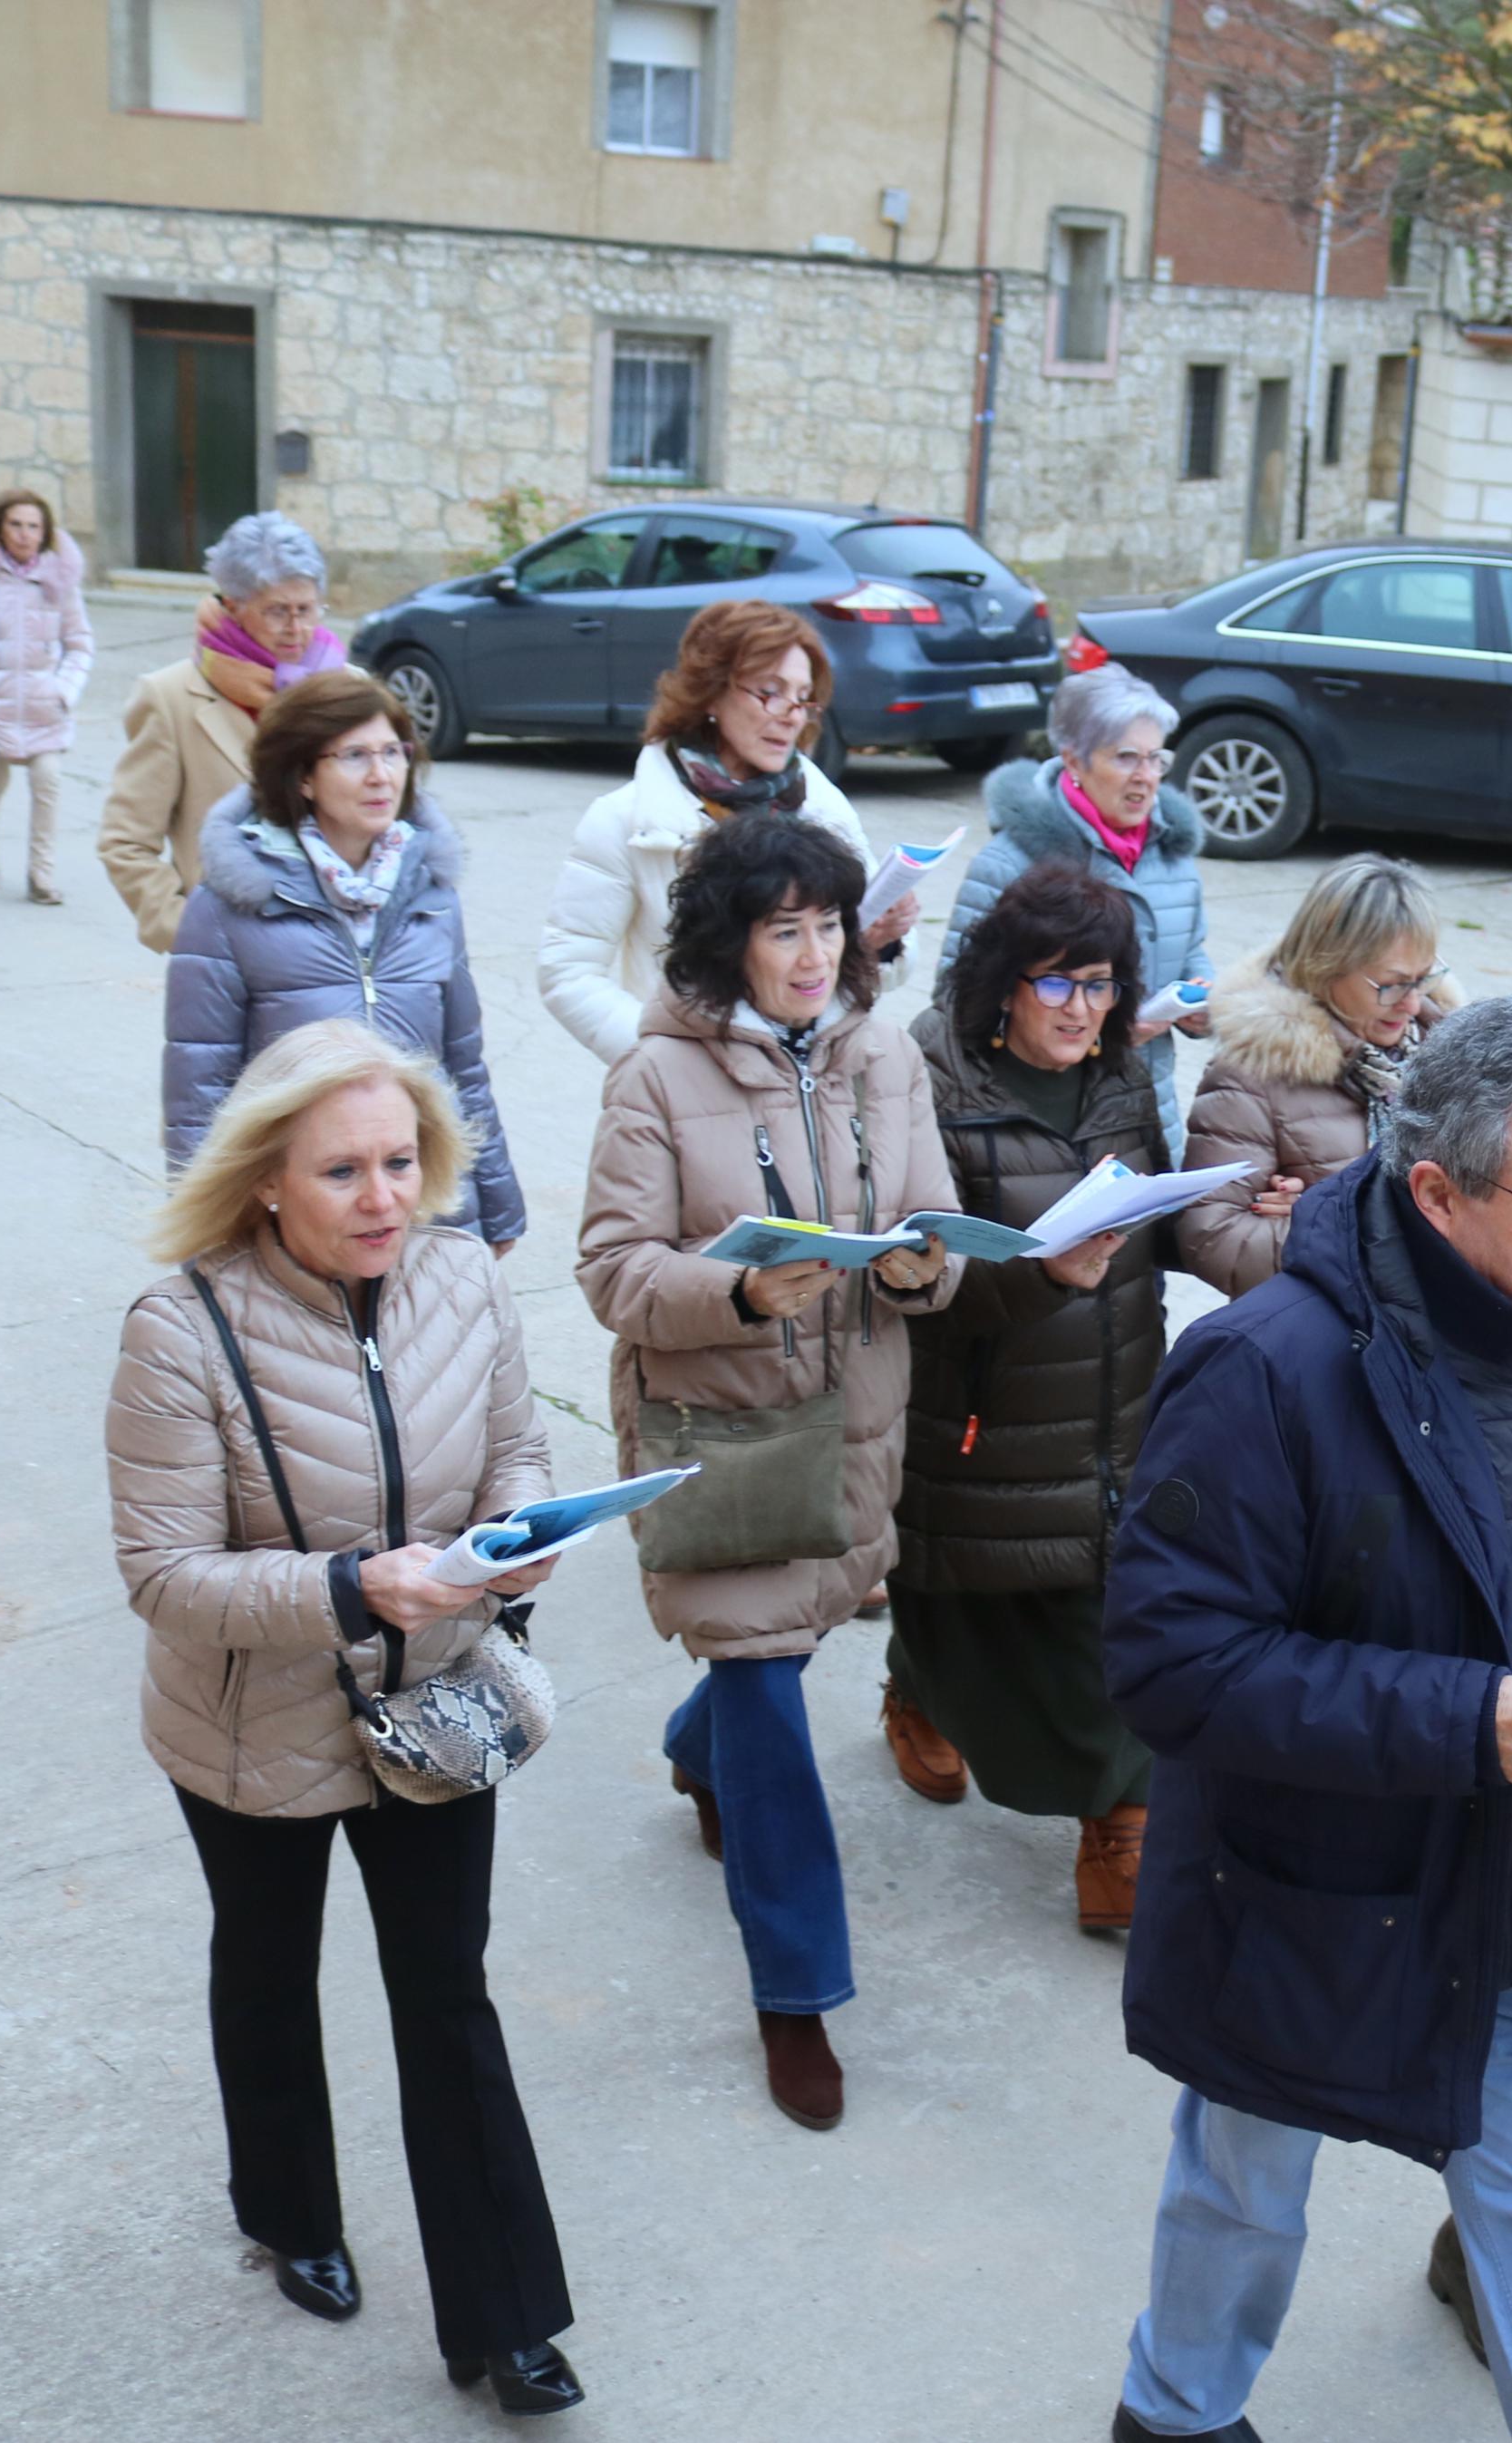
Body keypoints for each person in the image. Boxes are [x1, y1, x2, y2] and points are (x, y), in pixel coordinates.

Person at [1100, 993, 1512, 2443]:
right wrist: (1467, 1718)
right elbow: (1169, 1660)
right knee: (1245, 2177)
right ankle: (1175, 2410)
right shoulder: (1269, 1366)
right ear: (1437, 1192)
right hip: (1299, 1895)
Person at [104, 1018, 583, 2417]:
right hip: (252, 1724)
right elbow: (164, 1571)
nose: (384, 1197)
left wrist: (524, 1535)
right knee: (268, 1965)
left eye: (399, 1162)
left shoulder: (458, 1282)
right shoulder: (178, 1327)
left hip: (434, 1701)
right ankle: (290, 2208)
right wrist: (347, 1585)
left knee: (447, 1989)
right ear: (265, 1179)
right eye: (342, 1171)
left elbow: (519, 1441)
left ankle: (505, 2318)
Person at [575, 811, 961, 2133]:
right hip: (724, 1420)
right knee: (759, 1663)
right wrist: (738, 1291)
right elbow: (611, 1270)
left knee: (772, 1662)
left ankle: (701, 1753)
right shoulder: (654, 1075)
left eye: (828, 924)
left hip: (856, 1414)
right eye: (781, 927)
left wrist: (922, 1262)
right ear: (729, 941)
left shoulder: (884, 1052)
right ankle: (793, 1993)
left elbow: (930, 1215)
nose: (811, 954)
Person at [888, 865, 1168, 1927]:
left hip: (1116, 1407)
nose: (1078, 1009)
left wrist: (1257, 1206)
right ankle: (922, 1689)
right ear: (1003, 984)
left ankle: (1120, 1833)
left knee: (1103, 1617)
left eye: (1096, 986)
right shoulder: (933, 1084)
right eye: (1054, 984)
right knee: (983, 1597)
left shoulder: (1122, 1079)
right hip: (979, 1408)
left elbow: (1164, 1218)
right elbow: (914, 1280)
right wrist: (1040, 1277)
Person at [163, 670, 524, 1255]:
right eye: (354, 756)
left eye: (392, 753)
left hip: (416, 1202)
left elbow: (462, 1068)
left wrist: (496, 1210)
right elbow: (198, 1088)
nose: (381, 775)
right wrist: (215, 1237)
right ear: (304, 775)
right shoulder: (230, 904)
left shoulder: (432, 893)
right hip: (299, 1214)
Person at [535, 596, 907, 1064]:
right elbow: (567, 973)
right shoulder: (627, 820)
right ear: (711, 692)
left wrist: (880, 941)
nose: (792, 714)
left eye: (803, 696)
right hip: (690, 1106)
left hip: (812, 1085)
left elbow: (857, 969)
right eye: (770, 691)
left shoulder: (823, 808)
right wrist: (663, 1062)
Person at [942, 661, 1211, 1152]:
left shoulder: (1174, 857)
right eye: (1126, 757)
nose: (1145, 778)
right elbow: (955, 1003)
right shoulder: (1010, 864)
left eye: (1156, 759)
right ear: (1073, 761)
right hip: (1040, 1121)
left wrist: (1202, 1005)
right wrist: (1093, 1026)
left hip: (1145, 1113)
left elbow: (1192, 952)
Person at [1177, 851, 1460, 1297]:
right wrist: (1330, 1227)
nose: (1410, 1004)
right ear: (1327, 966)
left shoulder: (1447, 1045)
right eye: (1391, 984)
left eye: (1423, 978)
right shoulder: (1253, 1070)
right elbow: (1212, 1239)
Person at [103, 512, 338, 952]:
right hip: (236, 962)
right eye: (277, 611)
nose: (296, 628)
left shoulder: (348, 688)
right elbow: (126, 842)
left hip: (341, 951)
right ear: (233, 605)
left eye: (307, 610)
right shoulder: (170, 697)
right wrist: (191, 935)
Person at [0, 488, 94, 904]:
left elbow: (80, 643)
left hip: (43, 708)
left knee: (48, 780)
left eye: (33, 526)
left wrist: (63, 691)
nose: (24, 534)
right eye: (15, 525)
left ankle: (41, 876)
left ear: (45, 533)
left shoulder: (60, 583)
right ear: (0, 529)